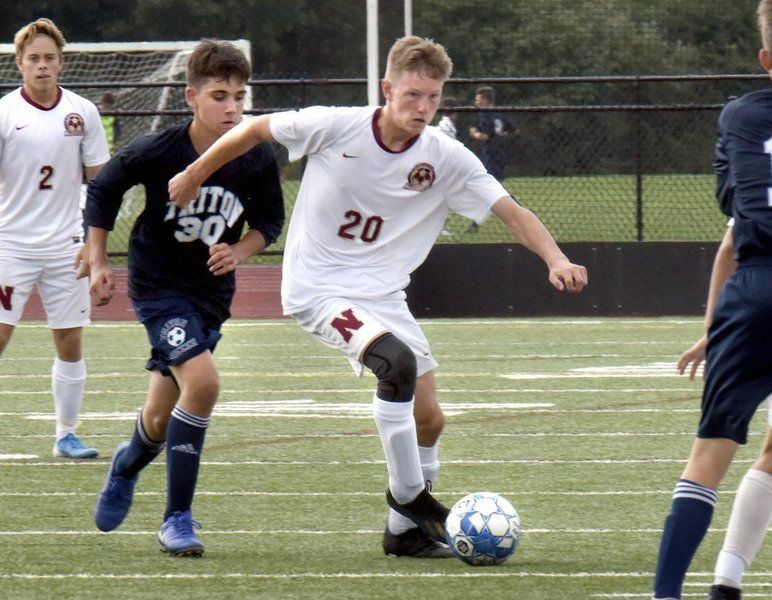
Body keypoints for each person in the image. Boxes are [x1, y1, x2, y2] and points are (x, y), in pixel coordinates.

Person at [169, 35, 587, 558]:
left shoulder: (445, 157)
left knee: (430, 417)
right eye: (412, 95)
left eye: (433, 98)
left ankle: (403, 534)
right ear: (387, 88)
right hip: (317, 289)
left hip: (384, 296)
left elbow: (511, 210)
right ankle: (413, 497)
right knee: (396, 363)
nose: (422, 108)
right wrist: (193, 172)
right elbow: (256, 128)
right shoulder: (337, 125)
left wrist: (556, 259)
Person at [87, 39, 284, 557]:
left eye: (240, 96)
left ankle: (126, 465)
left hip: (210, 297)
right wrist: (100, 259)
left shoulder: (256, 155)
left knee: (159, 416)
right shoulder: (160, 150)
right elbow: (104, 189)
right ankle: (177, 518)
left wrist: (240, 251)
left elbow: (269, 221)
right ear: (190, 97)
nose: (233, 108)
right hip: (157, 289)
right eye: (220, 95)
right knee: (203, 383)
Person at [652, 3, 772, 597]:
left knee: (708, 457)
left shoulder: (740, 116)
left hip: (751, 297)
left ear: (765, 59)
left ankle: (699, 588)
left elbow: (734, 230)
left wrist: (715, 327)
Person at [0, 18, 110, 459]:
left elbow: (100, 182)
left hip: (68, 246)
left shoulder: (81, 112)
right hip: (11, 244)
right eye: (34, 59)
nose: (42, 66)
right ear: (20, 65)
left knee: (69, 337)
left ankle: (67, 433)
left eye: (49, 58)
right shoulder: (5, 113)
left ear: (61, 63)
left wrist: (93, 243)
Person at [468, 86, 513, 182]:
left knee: (488, 180)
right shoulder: (499, 114)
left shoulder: (484, 115)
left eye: (478, 100)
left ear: (485, 100)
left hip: (488, 152)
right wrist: (502, 135)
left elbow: (483, 135)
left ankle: (508, 196)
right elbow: (513, 130)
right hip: (500, 150)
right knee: (497, 180)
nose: (476, 103)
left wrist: (475, 133)